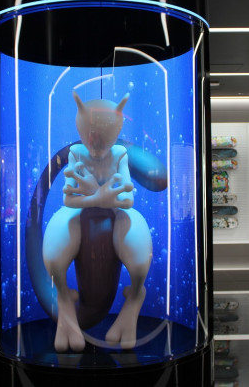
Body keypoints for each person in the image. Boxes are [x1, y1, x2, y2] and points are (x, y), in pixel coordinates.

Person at [43, 91, 152, 352]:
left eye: (104, 139)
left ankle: (135, 296)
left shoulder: (120, 154)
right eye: (91, 136)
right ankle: (64, 298)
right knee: (55, 242)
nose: (96, 144)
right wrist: (99, 197)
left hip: (116, 216)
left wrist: (97, 196)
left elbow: (128, 201)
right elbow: (68, 200)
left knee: (138, 251)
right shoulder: (77, 153)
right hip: (82, 216)